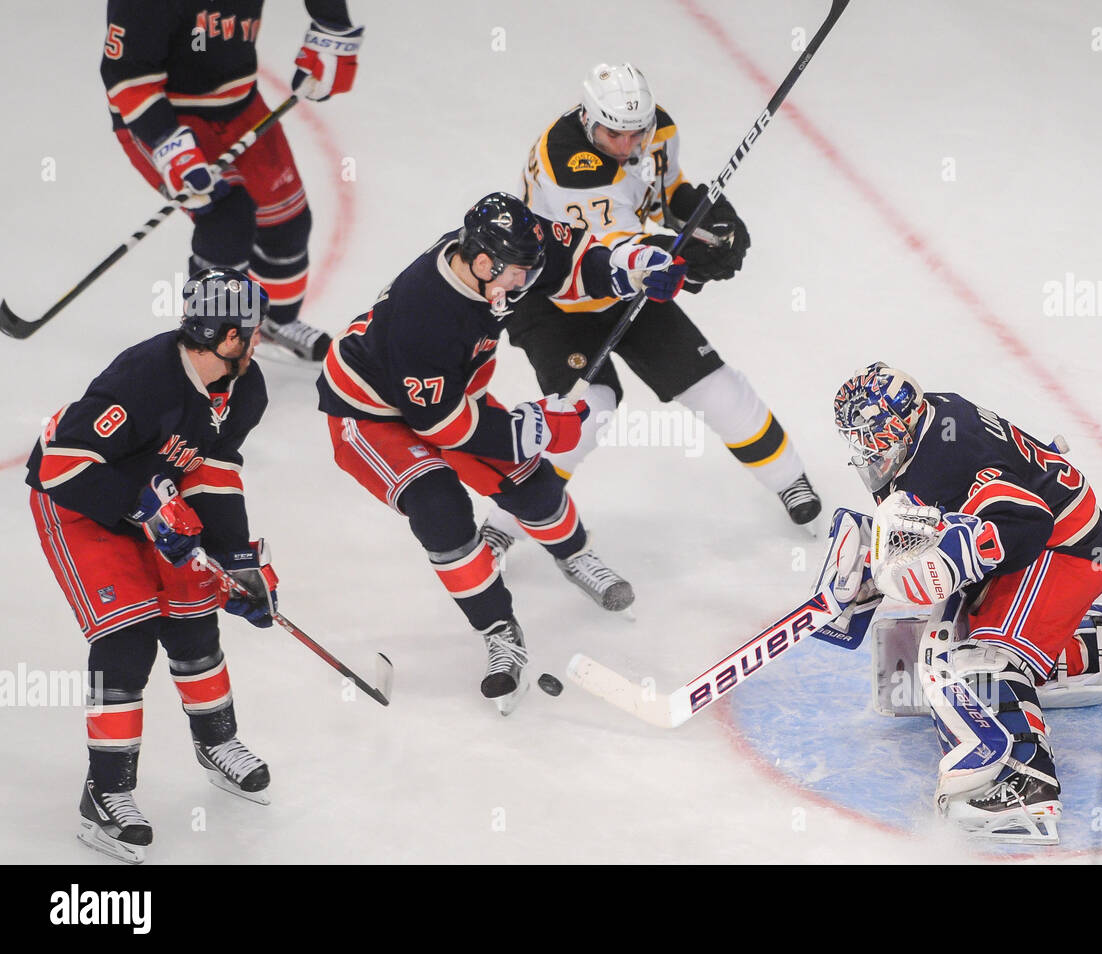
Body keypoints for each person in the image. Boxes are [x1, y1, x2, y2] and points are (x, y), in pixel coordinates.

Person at [316, 192, 687, 712]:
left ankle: (574, 555)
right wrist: (533, 428)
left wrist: (634, 268)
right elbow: (440, 424)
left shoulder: (509, 249)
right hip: (372, 414)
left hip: (449, 395)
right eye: (517, 275)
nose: (526, 285)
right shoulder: (424, 308)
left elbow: (572, 260)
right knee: (441, 508)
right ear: (483, 262)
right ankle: (498, 629)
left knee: (534, 488)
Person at [813, 363, 1102, 844]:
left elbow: (1027, 522)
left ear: (897, 422)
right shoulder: (927, 422)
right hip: (1034, 544)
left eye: (870, 435)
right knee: (963, 635)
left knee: (979, 660)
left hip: (1066, 551)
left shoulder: (949, 448)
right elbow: (944, 514)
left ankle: (1022, 785)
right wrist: (878, 567)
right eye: (857, 439)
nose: (864, 449)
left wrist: (946, 558)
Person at [480, 62, 821, 559]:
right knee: (586, 412)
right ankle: (502, 523)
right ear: (587, 117)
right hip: (557, 293)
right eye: (614, 134)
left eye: (635, 133)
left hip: (626, 281)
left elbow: (663, 194)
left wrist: (708, 218)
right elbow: (611, 246)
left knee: (717, 388)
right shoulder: (565, 163)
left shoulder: (657, 129)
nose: (627, 145)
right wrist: (684, 258)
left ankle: (790, 479)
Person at [27, 269, 281, 864]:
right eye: (251, 329)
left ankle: (217, 743)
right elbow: (58, 465)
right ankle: (105, 792)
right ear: (223, 335)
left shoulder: (247, 387)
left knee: (195, 615)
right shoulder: (144, 378)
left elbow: (212, 473)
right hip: (82, 504)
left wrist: (236, 560)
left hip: (157, 501)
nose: (259, 338)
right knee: (129, 634)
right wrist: (142, 509)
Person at [100, 0, 364, 361]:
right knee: (226, 217)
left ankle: (273, 320)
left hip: (239, 102)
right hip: (160, 114)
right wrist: (171, 148)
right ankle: (207, 345)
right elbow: (127, 76)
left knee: (287, 224)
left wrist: (333, 24)